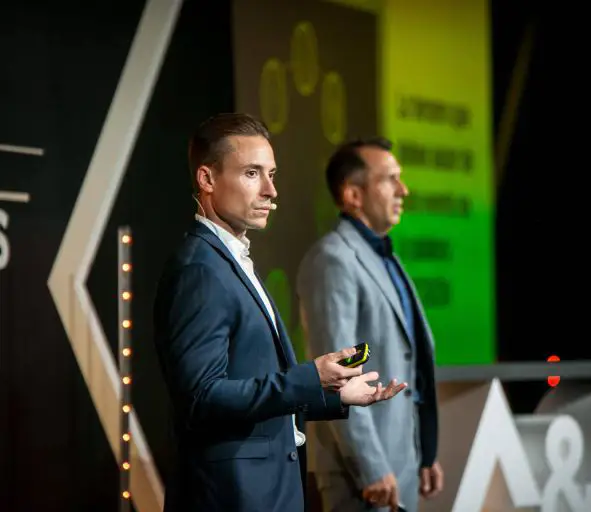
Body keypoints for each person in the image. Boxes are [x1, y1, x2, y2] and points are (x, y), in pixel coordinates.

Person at [152, 114, 406, 512]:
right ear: (207, 179)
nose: (271, 190)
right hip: (233, 498)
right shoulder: (199, 270)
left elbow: (252, 385)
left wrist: (333, 396)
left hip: (263, 492)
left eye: (271, 174)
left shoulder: (228, 261)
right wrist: (310, 378)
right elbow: (202, 398)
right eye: (252, 173)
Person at [296, 137, 443, 512]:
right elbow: (339, 375)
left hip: (400, 462)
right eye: (390, 179)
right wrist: (371, 467)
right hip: (361, 476)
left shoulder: (384, 256)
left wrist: (424, 452)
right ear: (353, 195)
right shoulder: (334, 260)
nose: (403, 190)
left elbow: (408, 359)